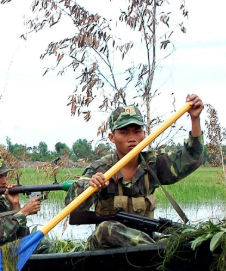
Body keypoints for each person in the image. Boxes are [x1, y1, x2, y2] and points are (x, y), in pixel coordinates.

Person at [65, 95, 204, 250]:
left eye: (137, 131)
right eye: (124, 133)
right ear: (112, 137)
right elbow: (71, 205)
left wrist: (195, 119)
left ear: (144, 134)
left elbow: (192, 159)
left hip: (145, 247)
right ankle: (159, 251)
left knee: (190, 235)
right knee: (106, 229)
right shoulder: (102, 168)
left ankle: (157, 250)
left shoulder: (153, 164)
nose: (132, 138)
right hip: (106, 250)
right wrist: (91, 187)